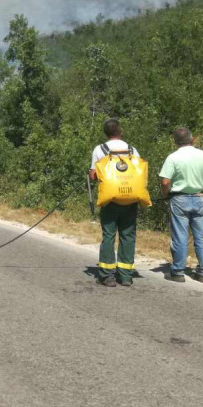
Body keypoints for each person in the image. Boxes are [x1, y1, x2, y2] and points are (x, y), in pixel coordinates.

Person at [89, 118, 140, 288]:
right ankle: (126, 276)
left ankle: (107, 276)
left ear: (106, 132)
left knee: (109, 236)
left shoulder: (100, 149)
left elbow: (93, 175)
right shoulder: (132, 149)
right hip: (130, 199)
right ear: (121, 130)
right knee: (128, 236)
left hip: (110, 200)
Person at [160, 126, 203, 283]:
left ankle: (178, 271)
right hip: (198, 197)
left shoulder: (173, 158)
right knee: (202, 236)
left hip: (179, 198)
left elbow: (165, 181)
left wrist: (166, 194)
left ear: (175, 142)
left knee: (180, 236)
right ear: (192, 139)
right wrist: (201, 187)